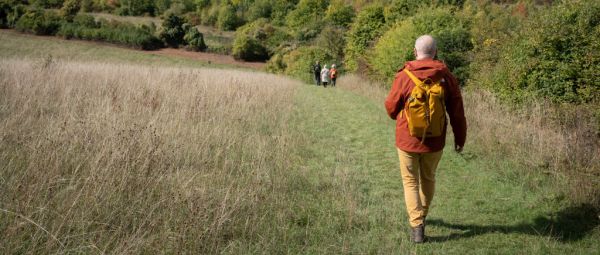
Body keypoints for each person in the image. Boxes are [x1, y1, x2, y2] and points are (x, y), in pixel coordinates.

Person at [384, 35, 467, 243]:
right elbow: (457, 112)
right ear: (435, 52)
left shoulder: (404, 75)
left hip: (407, 140)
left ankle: (417, 225)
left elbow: (391, 109)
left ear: (414, 51)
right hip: (435, 141)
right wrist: (460, 137)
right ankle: (422, 216)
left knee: (410, 181)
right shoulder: (446, 76)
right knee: (428, 178)